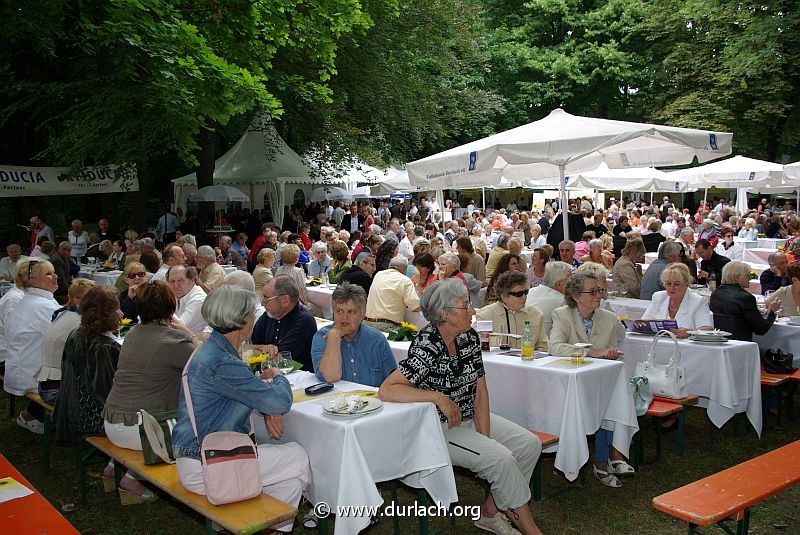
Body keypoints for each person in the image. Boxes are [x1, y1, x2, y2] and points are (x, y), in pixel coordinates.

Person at [379, 279, 544, 535]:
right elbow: (387, 389)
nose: (473, 310)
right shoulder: (428, 344)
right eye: (465, 306)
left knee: (528, 445)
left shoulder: (468, 338)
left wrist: (485, 438)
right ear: (444, 313)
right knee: (501, 459)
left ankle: (490, 512)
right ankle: (531, 530)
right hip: (439, 428)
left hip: (467, 417)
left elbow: (481, 390)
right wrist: (437, 397)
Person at [170, 286, 310, 532]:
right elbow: (279, 402)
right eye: (252, 314)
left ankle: (272, 529)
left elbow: (252, 395)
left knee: (290, 482)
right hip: (207, 464)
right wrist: (278, 376)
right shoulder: (223, 361)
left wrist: (266, 406)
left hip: (195, 454)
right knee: (299, 456)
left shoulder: (212, 350)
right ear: (243, 319)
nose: (255, 318)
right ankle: (326, 509)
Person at [548, 271, 632, 488]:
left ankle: (607, 460)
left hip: (599, 381)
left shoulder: (609, 318)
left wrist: (609, 354)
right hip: (571, 384)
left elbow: (612, 351)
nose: (598, 295)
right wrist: (593, 352)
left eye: (600, 290)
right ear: (576, 296)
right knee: (599, 402)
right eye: (592, 291)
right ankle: (607, 460)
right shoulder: (562, 314)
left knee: (608, 400)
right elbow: (555, 347)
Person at [103, 281, 195, 452]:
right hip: (146, 428)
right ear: (171, 306)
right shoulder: (174, 341)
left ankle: (124, 473)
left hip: (112, 421)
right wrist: (190, 334)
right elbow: (207, 364)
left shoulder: (131, 334)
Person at [53, 286, 121, 443]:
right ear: (110, 313)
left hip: (70, 408)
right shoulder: (104, 346)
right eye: (116, 309)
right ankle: (115, 466)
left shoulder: (76, 333)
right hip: (92, 419)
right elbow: (109, 393)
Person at [4, 259, 60, 434]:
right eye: (49, 274)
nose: (55, 277)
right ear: (32, 280)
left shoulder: (30, 301)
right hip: (31, 375)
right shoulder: (41, 306)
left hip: (22, 368)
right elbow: (68, 338)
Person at [312, 282, 396, 386]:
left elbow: (393, 380)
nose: (344, 317)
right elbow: (329, 377)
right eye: (339, 311)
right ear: (333, 312)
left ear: (362, 314)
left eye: (351, 312)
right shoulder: (321, 337)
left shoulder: (377, 340)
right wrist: (334, 337)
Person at [36, 278, 97, 405]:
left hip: (48, 384)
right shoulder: (79, 322)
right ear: (77, 300)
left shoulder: (65, 313)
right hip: (56, 390)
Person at [252, 275, 317, 371]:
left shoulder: (304, 320)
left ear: (284, 300)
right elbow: (247, 348)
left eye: (266, 298)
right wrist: (264, 347)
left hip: (299, 380)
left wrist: (259, 350)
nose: (262, 303)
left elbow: (281, 359)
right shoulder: (269, 315)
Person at [476, 272, 548, 351]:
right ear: (503, 296)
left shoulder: (536, 314)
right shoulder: (485, 315)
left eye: (526, 292)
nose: (524, 297)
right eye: (519, 294)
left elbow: (543, 347)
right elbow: (477, 344)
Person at [711, 261, 780, 341]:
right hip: (740, 342)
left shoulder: (716, 293)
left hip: (719, 339)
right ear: (737, 278)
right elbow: (761, 329)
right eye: (748, 275)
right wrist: (772, 311)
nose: (750, 279)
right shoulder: (746, 297)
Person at [641, 263, 714, 337]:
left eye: (677, 284)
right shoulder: (658, 297)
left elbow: (708, 329)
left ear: (686, 284)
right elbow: (643, 322)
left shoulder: (698, 301)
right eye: (668, 284)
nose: (672, 288)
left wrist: (690, 333)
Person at [365, 256, 421, 333]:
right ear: (405, 269)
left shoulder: (378, 275)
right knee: (414, 336)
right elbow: (415, 307)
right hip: (387, 326)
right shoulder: (405, 280)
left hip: (366, 323)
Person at [526, 261, 572, 335]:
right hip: (544, 343)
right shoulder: (563, 301)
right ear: (559, 284)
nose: (573, 284)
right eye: (570, 281)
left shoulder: (531, 291)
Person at [169, 265, 208, 335]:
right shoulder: (178, 294)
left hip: (195, 343)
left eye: (181, 280)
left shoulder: (199, 299)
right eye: (172, 281)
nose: (175, 285)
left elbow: (180, 327)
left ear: (192, 281)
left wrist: (162, 308)